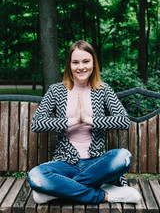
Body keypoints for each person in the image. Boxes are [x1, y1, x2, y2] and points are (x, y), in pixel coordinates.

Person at [28, 40, 141, 204]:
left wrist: (89, 120)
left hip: (96, 163)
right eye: (75, 62)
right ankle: (105, 194)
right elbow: (36, 123)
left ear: (93, 63)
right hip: (65, 164)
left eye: (86, 61)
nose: (81, 67)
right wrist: (72, 121)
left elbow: (124, 121)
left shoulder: (103, 89)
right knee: (36, 175)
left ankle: (58, 190)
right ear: (69, 65)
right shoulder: (56, 90)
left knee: (123, 157)